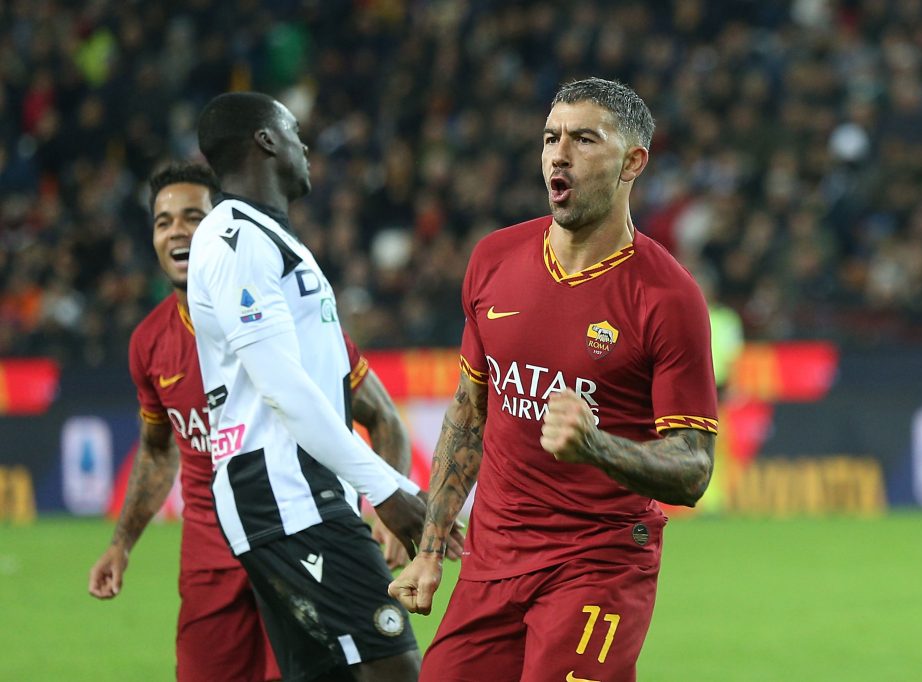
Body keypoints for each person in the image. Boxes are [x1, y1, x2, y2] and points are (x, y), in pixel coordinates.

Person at [389, 77, 718, 682]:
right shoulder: (493, 260)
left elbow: (694, 468)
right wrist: (431, 550)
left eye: (584, 139)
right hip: (492, 560)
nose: (558, 155)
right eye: (550, 138)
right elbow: (469, 413)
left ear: (633, 163)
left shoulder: (668, 297)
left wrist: (595, 446)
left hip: (599, 563)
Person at [87, 163, 417, 681]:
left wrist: (384, 503)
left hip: (296, 527)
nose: (177, 231)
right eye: (163, 221)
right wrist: (121, 544)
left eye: (193, 216)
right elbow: (156, 449)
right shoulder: (149, 343)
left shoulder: (290, 317)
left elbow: (384, 417)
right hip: (210, 555)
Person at [188, 92, 426, 682]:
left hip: (297, 494)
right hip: (286, 496)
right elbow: (284, 389)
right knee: (394, 669)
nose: (305, 144)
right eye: (293, 130)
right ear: (266, 141)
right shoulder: (236, 238)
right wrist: (387, 488)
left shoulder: (267, 237)